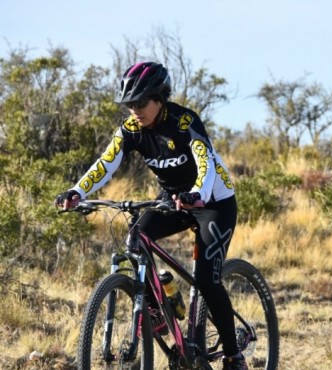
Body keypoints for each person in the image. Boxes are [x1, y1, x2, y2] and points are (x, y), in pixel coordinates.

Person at [55, 62, 248, 370]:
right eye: (130, 104)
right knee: (135, 239)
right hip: (171, 200)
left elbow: (205, 164)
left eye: (141, 102)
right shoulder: (132, 129)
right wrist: (77, 191)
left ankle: (233, 355)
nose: (135, 110)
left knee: (206, 280)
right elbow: (106, 163)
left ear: (160, 98)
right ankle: (161, 302)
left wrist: (197, 194)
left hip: (212, 202)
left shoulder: (185, 122)